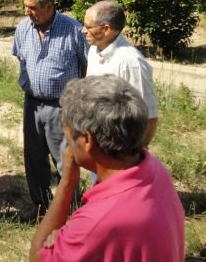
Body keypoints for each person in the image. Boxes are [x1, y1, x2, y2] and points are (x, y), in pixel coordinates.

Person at [29, 75, 184, 261]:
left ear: (87, 140)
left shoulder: (99, 222)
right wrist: (72, 233)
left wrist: (66, 183)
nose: (64, 134)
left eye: (66, 127)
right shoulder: (153, 168)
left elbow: (37, 257)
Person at [12, 0, 88, 217]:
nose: (27, 12)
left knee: (65, 158)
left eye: (32, 7)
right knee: (34, 156)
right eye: (25, 7)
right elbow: (21, 59)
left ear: (49, 6)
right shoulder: (23, 28)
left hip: (62, 106)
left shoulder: (73, 30)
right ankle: (41, 204)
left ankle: (70, 208)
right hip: (32, 103)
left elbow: (87, 66)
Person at [83, 0, 158, 145]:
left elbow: (149, 117)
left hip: (120, 150)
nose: (83, 30)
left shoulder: (131, 62)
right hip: (98, 143)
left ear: (106, 29)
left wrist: (135, 155)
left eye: (88, 27)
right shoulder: (94, 50)